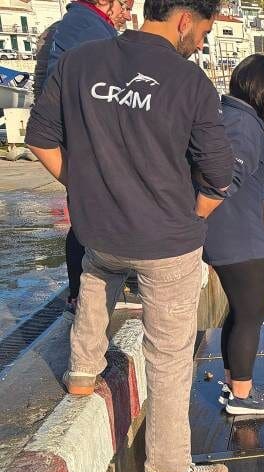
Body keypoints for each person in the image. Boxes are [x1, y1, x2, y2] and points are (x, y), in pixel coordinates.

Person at [25, 0, 235, 472]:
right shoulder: (191, 85)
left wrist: (82, 190)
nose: (202, 43)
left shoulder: (79, 63)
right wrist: (194, 216)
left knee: (98, 275)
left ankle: (81, 370)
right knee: (170, 357)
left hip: (99, 233)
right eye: (203, 31)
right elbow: (219, 176)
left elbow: (40, 139)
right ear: (184, 19)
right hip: (165, 244)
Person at [201, 55, 264, 416]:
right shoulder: (244, 126)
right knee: (250, 316)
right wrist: (194, 218)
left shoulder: (232, 116)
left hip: (237, 237)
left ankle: (235, 385)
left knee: (238, 314)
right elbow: (226, 176)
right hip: (246, 241)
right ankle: (243, 397)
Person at [34, 0, 127, 319]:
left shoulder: (72, 27)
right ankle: (84, 299)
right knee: (90, 223)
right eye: (124, 5)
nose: (126, 13)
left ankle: (78, 295)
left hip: (76, 142)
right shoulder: (91, 31)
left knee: (83, 218)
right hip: (88, 144)